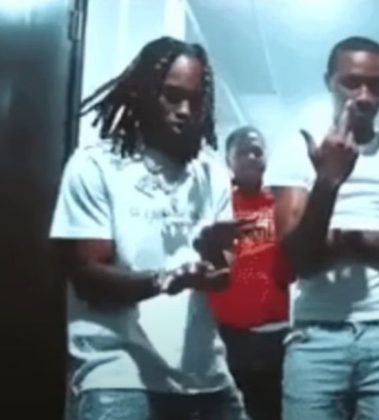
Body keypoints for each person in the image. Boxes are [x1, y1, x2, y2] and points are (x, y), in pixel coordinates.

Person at [52, 37, 250, 419]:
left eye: (195, 100)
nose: (185, 111)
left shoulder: (211, 173)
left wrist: (213, 256)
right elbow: (87, 276)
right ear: (142, 92)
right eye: (172, 96)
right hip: (118, 375)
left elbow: (220, 277)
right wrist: (163, 280)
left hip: (205, 375)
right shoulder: (95, 165)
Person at [269, 36, 379, 420]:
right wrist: (328, 181)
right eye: (351, 83)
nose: (365, 96)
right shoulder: (294, 152)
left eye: (376, 85)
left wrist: (345, 241)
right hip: (314, 334)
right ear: (328, 81)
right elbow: (299, 259)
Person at [206, 126, 293, 419]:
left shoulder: (280, 204)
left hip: (274, 333)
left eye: (258, 151)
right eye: (244, 152)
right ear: (228, 159)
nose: (252, 157)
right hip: (225, 334)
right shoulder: (216, 203)